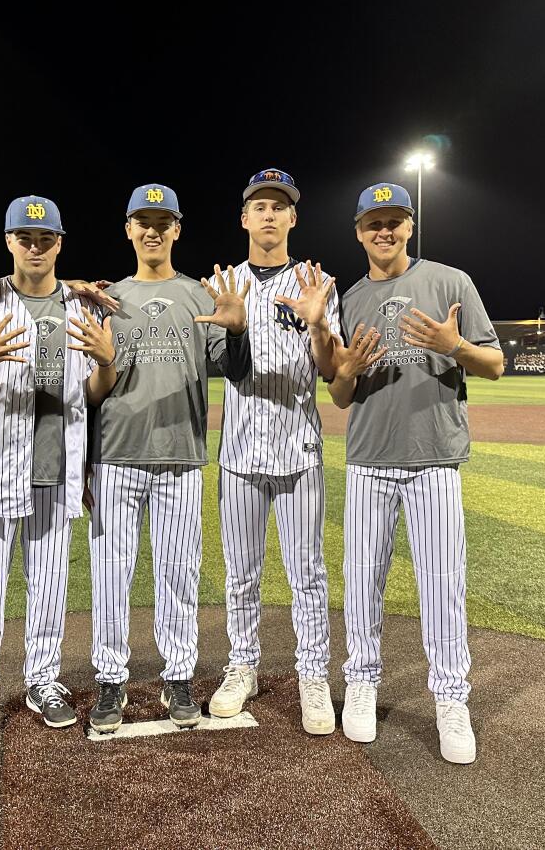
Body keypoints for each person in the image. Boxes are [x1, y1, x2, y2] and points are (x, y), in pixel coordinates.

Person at [327, 182, 503, 765]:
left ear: (410, 225)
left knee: (442, 585)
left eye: (394, 220)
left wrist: (456, 346)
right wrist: (346, 370)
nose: (384, 231)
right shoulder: (348, 298)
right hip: (369, 460)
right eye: (373, 222)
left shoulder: (451, 281)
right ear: (358, 230)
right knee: (362, 584)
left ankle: (451, 700)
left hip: (434, 457)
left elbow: (496, 364)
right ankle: (361, 682)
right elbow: (340, 394)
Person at [0, 197, 119, 752]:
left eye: (45, 238)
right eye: (26, 236)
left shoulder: (81, 307)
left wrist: (108, 363)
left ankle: (43, 679)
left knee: (49, 586)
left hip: (57, 467)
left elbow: (93, 394)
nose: (36, 246)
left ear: (60, 243)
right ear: (8, 241)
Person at [87, 184, 250, 733]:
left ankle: (177, 675)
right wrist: (86, 459)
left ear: (178, 229)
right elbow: (88, 387)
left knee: (178, 573)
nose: (153, 230)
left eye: (164, 221)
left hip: (180, 454)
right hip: (116, 453)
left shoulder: (200, 296)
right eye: (143, 221)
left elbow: (234, 367)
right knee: (112, 575)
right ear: (128, 229)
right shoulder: (106, 298)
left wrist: (239, 328)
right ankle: (111, 680)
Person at [206, 168, 339, 735]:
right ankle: (244, 666)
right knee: (241, 573)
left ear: (292, 218)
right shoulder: (225, 283)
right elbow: (219, 364)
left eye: (278, 206)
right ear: (243, 218)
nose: (267, 214)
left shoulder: (318, 281)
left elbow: (334, 372)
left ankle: (313, 674)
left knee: (306, 572)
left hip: (299, 450)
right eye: (257, 205)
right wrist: (234, 331)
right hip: (239, 453)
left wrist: (317, 328)